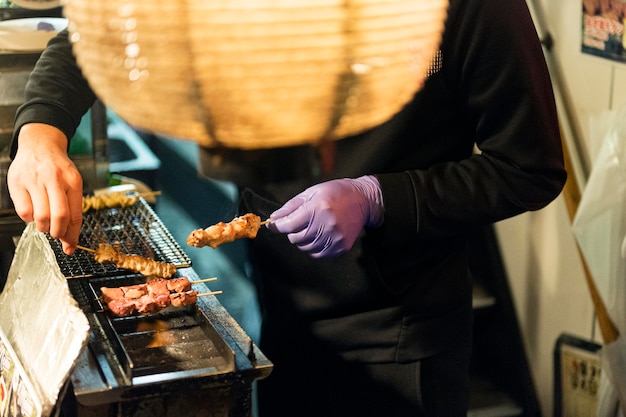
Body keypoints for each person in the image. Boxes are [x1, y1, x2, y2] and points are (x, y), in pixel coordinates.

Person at [7, 0, 567, 415]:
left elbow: (529, 169)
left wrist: (376, 199)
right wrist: (39, 134)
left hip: (396, 334)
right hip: (273, 313)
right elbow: (89, 38)